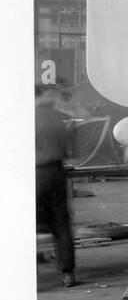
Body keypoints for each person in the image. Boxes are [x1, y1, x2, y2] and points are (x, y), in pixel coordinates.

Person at [36, 84, 77, 287]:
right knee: (61, 222)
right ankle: (68, 273)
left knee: (30, 224)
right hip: (57, 173)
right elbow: (71, 151)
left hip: (34, 174)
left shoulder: (24, 118)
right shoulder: (59, 117)